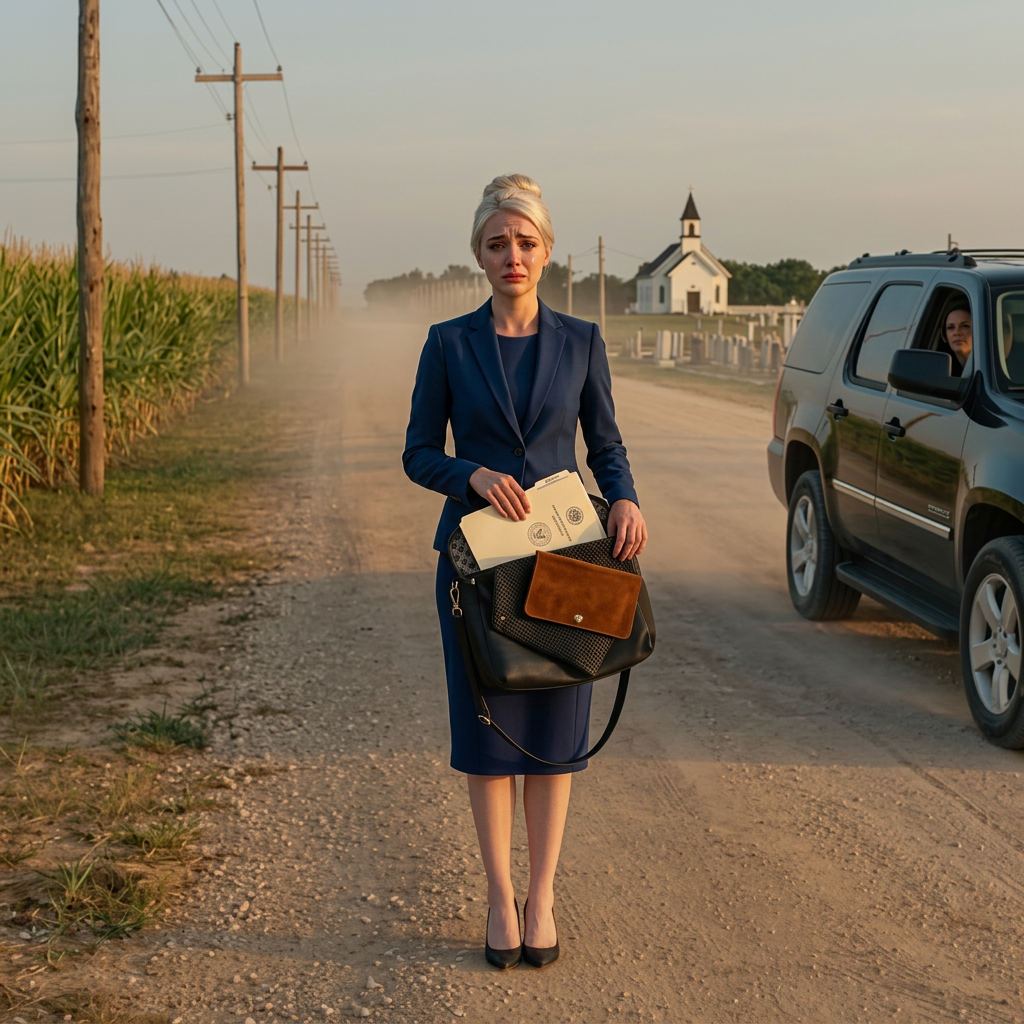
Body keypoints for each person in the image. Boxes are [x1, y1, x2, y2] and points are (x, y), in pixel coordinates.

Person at [403, 174, 647, 970]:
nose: (512, 254)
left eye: (526, 242)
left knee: (554, 734)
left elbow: (605, 444)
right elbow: (418, 453)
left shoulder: (582, 341)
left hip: (565, 562)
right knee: (488, 733)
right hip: (474, 569)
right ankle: (498, 898)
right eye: (497, 242)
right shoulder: (447, 343)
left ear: (548, 251)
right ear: (479, 254)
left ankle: (541, 897)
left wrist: (625, 499)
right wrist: (469, 475)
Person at [943, 303, 972, 368]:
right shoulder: (943, 369)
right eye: (951, 327)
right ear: (944, 336)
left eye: (964, 326)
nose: (956, 332)